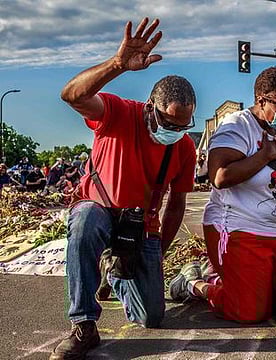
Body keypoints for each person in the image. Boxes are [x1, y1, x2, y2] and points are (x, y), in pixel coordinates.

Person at [49, 18, 196, 360]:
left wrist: (159, 254)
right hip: (99, 208)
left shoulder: (183, 147)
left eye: (183, 125)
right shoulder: (118, 113)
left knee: (150, 317)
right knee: (85, 223)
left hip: (139, 225)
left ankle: (115, 270)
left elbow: (176, 204)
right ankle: (84, 324)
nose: (175, 131)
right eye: (169, 123)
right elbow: (72, 94)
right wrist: (117, 64)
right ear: (150, 108)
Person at [169, 67, 276, 324]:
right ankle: (196, 283)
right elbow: (219, 176)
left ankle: (223, 275)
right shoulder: (237, 125)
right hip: (240, 229)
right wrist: (264, 155)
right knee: (249, 311)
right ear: (261, 100)